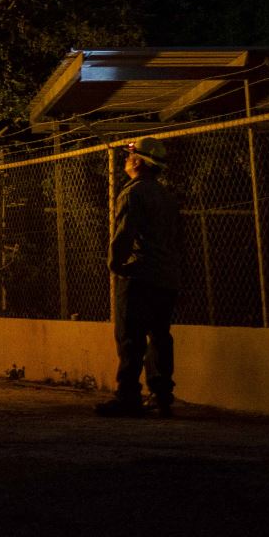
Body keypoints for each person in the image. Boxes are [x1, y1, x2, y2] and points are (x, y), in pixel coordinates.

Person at [96, 136, 180, 417]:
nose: (126, 159)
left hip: (139, 273)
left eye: (130, 154)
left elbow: (124, 232)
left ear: (138, 161)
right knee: (159, 335)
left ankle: (128, 396)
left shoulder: (133, 192)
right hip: (165, 275)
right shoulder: (166, 196)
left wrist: (115, 263)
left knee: (130, 336)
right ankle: (161, 394)